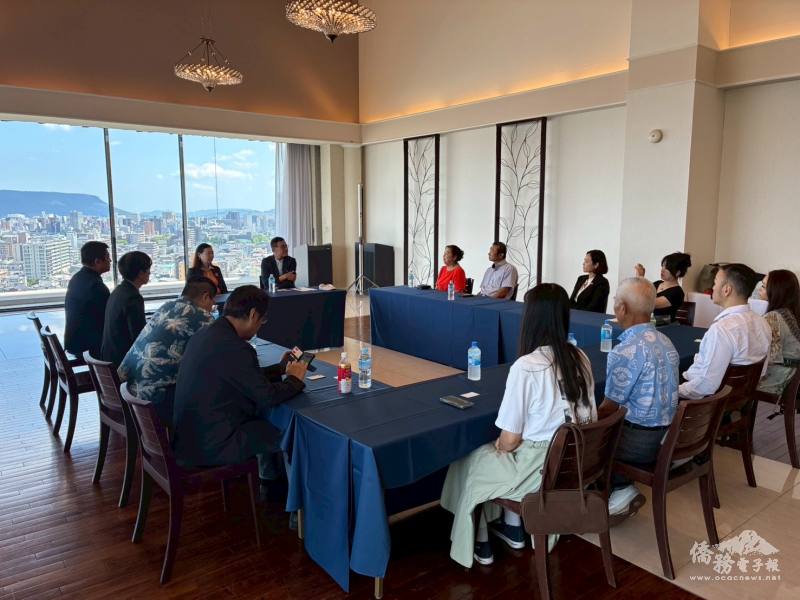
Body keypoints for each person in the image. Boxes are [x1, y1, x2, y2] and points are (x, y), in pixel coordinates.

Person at [440, 283, 596, 568]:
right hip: (573, 464)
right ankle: (512, 527)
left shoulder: (527, 366)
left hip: (539, 470)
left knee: (472, 458)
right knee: (494, 456)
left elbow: (510, 440)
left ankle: (479, 540)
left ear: (531, 319)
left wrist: (499, 447)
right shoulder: (580, 357)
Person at [172, 285, 308, 482]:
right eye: (262, 320)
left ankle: (269, 481)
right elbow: (267, 397)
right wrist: (294, 380)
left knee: (264, 425)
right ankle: (281, 491)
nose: (260, 326)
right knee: (287, 432)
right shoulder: (236, 347)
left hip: (190, 437)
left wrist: (279, 369)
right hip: (213, 444)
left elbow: (242, 377)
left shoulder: (207, 334)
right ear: (253, 315)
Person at [597, 277, 680, 520]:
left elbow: (608, 409)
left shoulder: (626, 350)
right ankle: (620, 486)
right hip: (669, 438)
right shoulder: (667, 341)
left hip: (638, 445)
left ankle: (620, 487)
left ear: (622, 308)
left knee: (582, 435)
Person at [118, 277, 217, 427]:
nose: (212, 305)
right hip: (155, 400)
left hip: (130, 391)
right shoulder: (203, 318)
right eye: (212, 300)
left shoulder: (166, 307)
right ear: (205, 297)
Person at [679, 264, 771, 400]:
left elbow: (705, 386)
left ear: (726, 290)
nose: (712, 287)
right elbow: (761, 372)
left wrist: (673, 391)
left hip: (708, 403)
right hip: (738, 398)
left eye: (715, 282)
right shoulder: (763, 323)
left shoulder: (722, 330)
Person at [100, 251, 151, 367]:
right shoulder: (133, 297)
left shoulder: (118, 291)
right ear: (140, 273)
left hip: (109, 358)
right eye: (148, 269)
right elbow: (139, 337)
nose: (150, 273)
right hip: (123, 363)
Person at [64, 241, 112, 358]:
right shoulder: (96, 286)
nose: (110, 260)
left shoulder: (77, 277)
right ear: (97, 261)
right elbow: (109, 318)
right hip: (88, 347)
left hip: (74, 342)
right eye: (107, 257)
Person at [756, 270, 800, 395]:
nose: (759, 289)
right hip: (790, 377)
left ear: (776, 291)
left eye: (764, 286)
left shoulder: (773, 318)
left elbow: (770, 358)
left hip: (778, 379)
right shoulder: (790, 313)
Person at [634, 252, 692, 322]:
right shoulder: (657, 284)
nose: (662, 270)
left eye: (667, 268)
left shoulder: (677, 292)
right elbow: (638, 295)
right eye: (662, 266)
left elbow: (648, 304)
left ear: (677, 273)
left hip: (666, 325)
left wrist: (640, 278)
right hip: (652, 324)